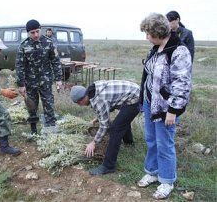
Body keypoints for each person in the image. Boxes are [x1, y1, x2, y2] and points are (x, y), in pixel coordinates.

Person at [138, 13, 192, 199]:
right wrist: (142, 100)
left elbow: (182, 84)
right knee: (151, 140)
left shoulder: (178, 51)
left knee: (164, 144)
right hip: (149, 103)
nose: (146, 37)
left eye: (147, 33)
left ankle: (167, 181)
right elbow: (148, 77)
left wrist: (173, 111)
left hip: (164, 108)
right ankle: (152, 172)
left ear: (157, 32)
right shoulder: (155, 48)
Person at [70, 80, 140, 176]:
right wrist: (98, 117)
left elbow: (104, 125)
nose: (81, 106)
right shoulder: (93, 89)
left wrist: (93, 143)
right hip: (132, 91)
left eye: (79, 104)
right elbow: (108, 104)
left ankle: (108, 166)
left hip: (135, 98)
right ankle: (129, 143)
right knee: (122, 121)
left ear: (82, 100)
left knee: (115, 129)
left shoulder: (98, 100)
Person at [16, 19, 63, 139]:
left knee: (49, 104)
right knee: (32, 106)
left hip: (46, 81)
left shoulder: (49, 43)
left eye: (37, 31)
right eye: (32, 33)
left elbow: (55, 61)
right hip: (30, 82)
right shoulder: (23, 45)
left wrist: (58, 79)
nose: (36, 35)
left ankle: (51, 130)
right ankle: (33, 130)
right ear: (28, 33)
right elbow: (19, 66)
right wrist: (21, 84)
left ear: (40, 29)